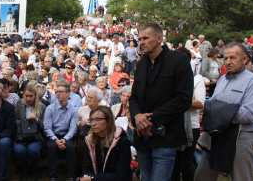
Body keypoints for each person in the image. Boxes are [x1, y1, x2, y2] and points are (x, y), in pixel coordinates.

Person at [129, 23, 193, 181]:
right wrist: (137, 116)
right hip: (142, 137)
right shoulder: (141, 64)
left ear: (159, 39)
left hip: (166, 135)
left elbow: (183, 99)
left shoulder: (179, 61)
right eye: (139, 39)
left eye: (145, 38)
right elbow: (134, 97)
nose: (141, 42)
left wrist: (151, 119)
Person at [194, 42, 253, 181]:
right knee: (202, 177)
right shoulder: (222, 79)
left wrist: (216, 110)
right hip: (217, 137)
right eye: (225, 58)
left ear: (244, 59)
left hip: (240, 139)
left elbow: (249, 115)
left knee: (241, 177)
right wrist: (210, 108)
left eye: (232, 58)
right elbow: (212, 104)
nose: (227, 62)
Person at [172, 47, 206, 181]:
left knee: (186, 164)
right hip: (174, 125)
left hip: (190, 126)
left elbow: (199, 103)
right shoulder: (172, 79)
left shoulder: (197, 79)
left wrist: (179, 101)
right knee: (173, 164)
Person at [80, 106, 132, 181]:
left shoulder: (122, 141)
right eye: (91, 120)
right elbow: (86, 168)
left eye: (98, 119)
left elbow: (121, 175)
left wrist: (93, 179)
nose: (93, 123)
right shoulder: (89, 141)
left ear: (108, 121)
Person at [44, 80, 78, 181]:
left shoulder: (73, 109)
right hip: (53, 135)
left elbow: (73, 128)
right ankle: (52, 176)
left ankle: (71, 176)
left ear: (68, 93)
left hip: (67, 135)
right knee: (51, 146)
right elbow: (47, 128)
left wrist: (64, 139)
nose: (58, 94)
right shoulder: (50, 108)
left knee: (71, 147)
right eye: (57, 91)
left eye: (61, 91)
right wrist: (56, 140)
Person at [14, 83, 45, 179]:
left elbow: (44, 127)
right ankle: (23, 171)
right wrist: (21, 123)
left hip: (35, 137)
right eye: (26, 96)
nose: (28, 98)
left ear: (35, 96)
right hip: (20, 137)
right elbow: (14, 120)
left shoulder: (41, 106)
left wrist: (36, 119)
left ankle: (33, 170)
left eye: (31, 96)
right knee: (20, 151)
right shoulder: (19, 104)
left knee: (33, 150)